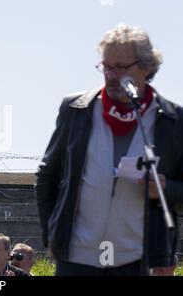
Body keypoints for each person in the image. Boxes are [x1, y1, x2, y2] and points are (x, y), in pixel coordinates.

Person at [36, 23, 183, 276]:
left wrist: (164, 187)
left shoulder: (173, 121)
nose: (112, 75)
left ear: (147, 67)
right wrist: (52, 232)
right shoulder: (76, 110)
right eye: (106, 66)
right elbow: (47, 174)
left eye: (122, 67)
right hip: (76, 259)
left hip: (136, 261)